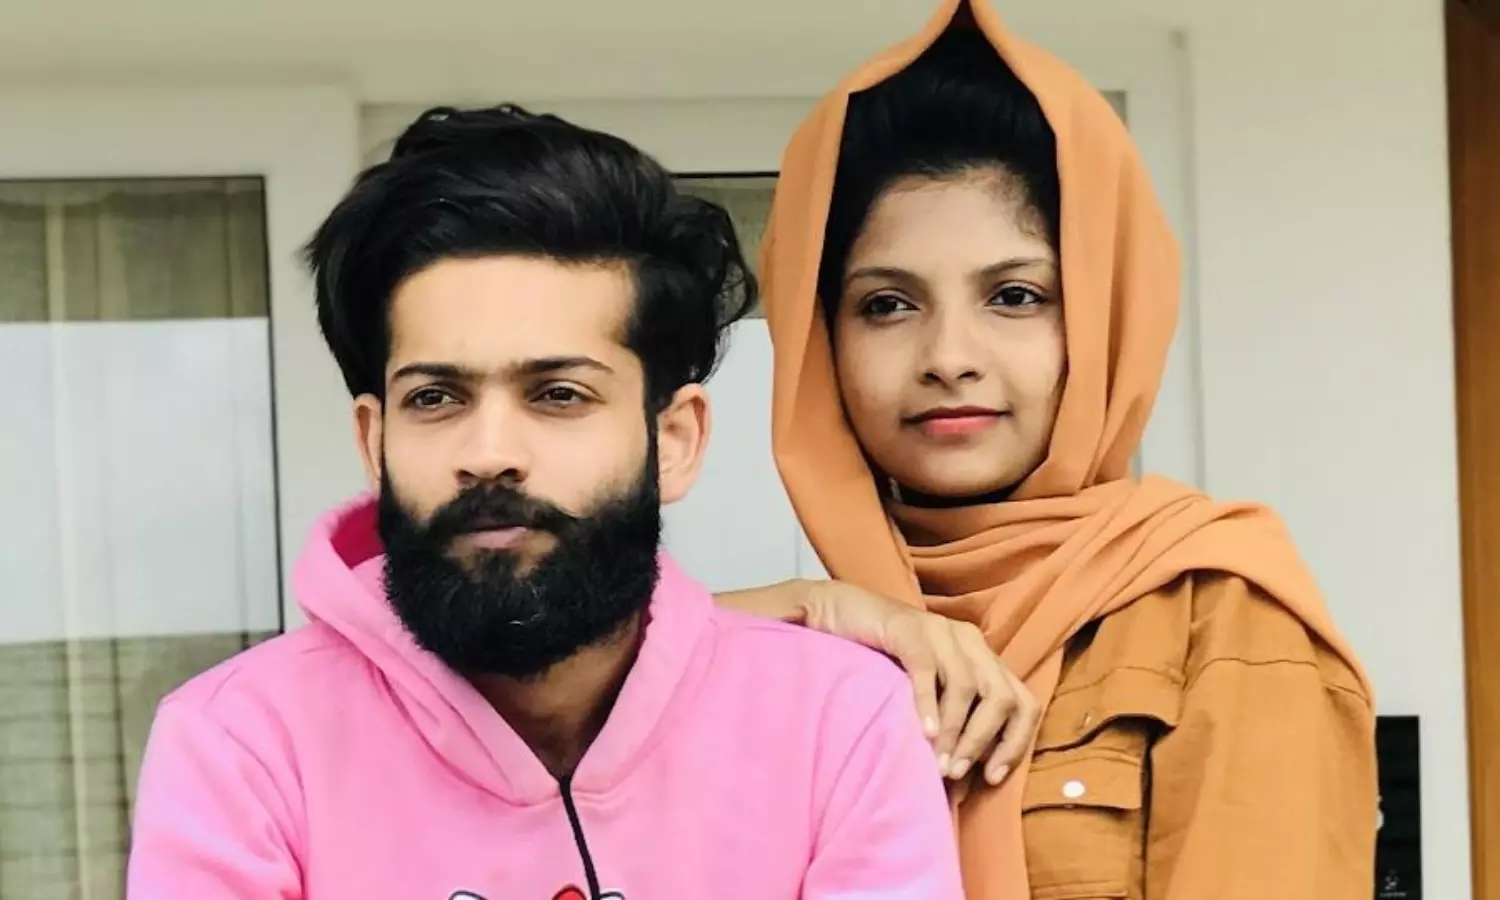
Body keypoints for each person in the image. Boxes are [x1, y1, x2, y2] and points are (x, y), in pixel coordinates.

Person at [125, 104, 963, 899]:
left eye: (559, 394)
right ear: (373, 444)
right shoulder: (243, 746)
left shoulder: (835, 723)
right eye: (435, 398)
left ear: (675, 439)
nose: (489, 453)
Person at [733, 1, 1380, 897]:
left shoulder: (1220, 618)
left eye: (1015, 296)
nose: (949, 357)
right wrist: (808, 606)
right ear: (819, 340)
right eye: (888, 304)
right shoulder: (794, 650)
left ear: (1106, 316)